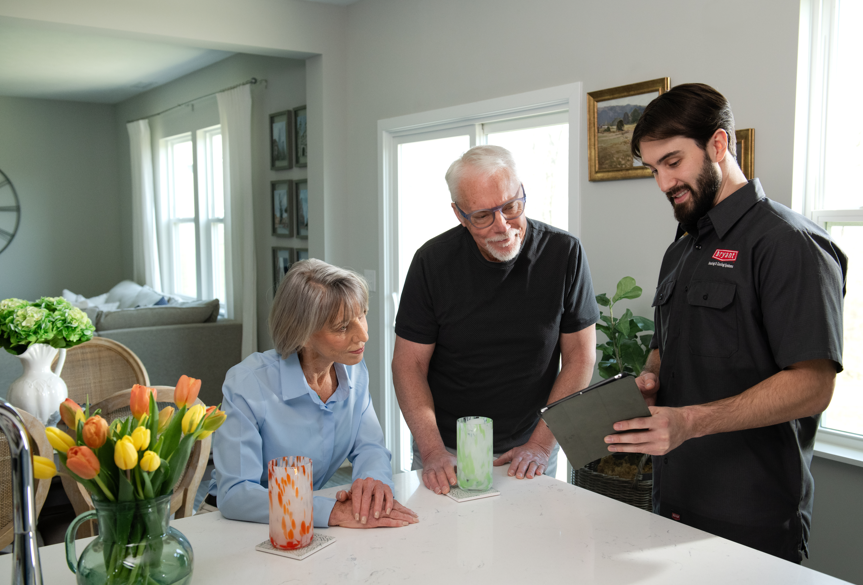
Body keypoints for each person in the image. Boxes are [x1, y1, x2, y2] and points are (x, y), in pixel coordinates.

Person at [607, 83, 847, 562]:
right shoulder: (682, 246)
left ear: (719, 145)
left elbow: (813, 386)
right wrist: (651, 378)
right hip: (672, 500)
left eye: (673, 162)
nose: (662, 183)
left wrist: (692, 421)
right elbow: (668, 343)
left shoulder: (789, 243)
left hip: (751, 516)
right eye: (653, 169)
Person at [393, 145, 599, 495]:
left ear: (522, 193)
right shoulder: (432, 262)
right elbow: (408, 364)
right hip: (446, 450)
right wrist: (431, 450)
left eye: (511, 206)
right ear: (460, 215)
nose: (502, 226)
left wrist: (541, 445)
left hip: (531, 445)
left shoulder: (564, 253)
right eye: (483, 216)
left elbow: (581, 357)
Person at [210, 259, 418, 529]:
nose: (363, 335)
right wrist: (330, 512)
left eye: (362, 314)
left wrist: (372, 483)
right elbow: (235, 494)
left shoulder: (353, 371)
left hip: (303, 517)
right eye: (343, 327)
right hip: (238, 523)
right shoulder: (247, 385)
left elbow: (369, 446)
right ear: (303, 332)